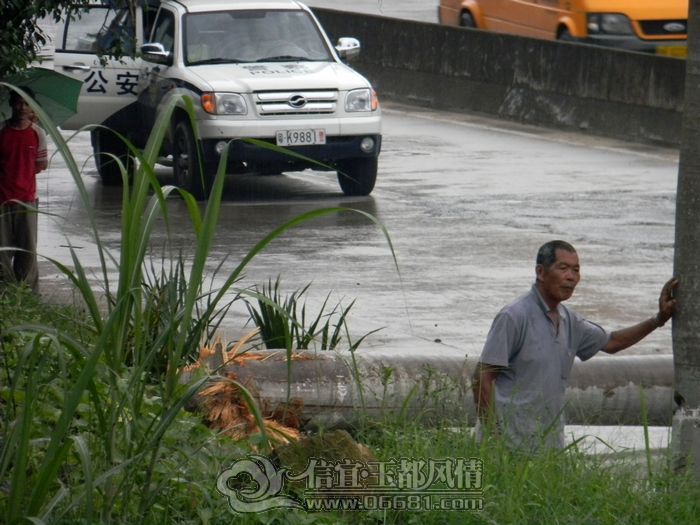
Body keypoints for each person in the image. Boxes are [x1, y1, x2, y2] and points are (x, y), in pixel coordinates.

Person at [472, 240, 678, 451]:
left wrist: (659, 319)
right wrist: (493, 435)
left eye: (576, 270)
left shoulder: (568, 320)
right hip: (506, 446)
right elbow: (483, 376)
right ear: (541, 272)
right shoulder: (514, 317)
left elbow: (613, 342)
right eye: (563, 268)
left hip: (547, 447)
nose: (571, 277)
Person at [0, 87, 48, 292]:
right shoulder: (1, 130)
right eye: (18, 102)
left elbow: (41, 164)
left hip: (27, 200)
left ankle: (28, 296)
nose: (22, 107)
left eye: (26, 103)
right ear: (11, 104)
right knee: (2, 252)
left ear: (32, 108)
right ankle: (5, 294)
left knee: (27, 252)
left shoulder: (38, 133)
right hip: (1, 200)